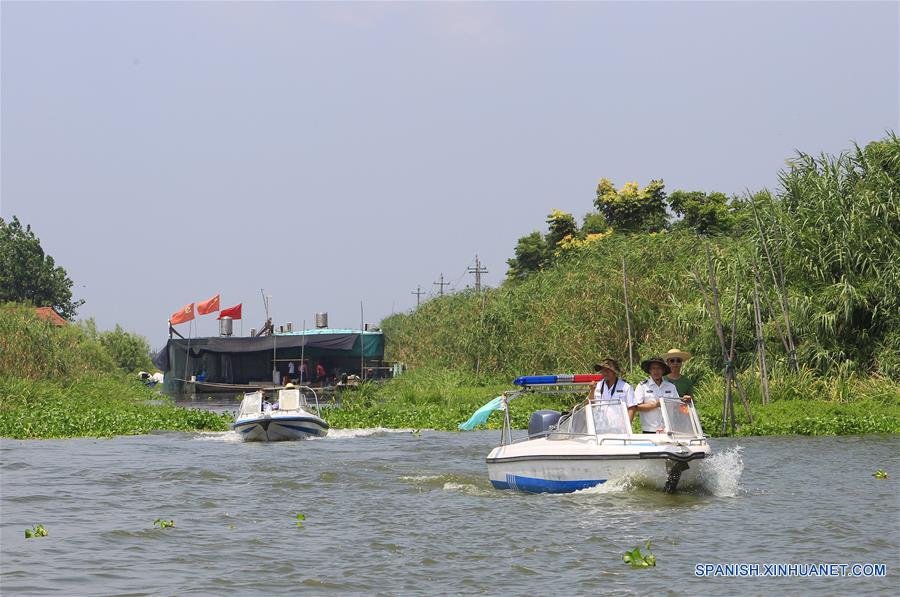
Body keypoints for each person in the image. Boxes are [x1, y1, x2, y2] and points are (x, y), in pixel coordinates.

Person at [634, 357, 680, 433]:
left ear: (663, 370)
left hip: (668, 429)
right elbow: (636, 407)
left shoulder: (671, 386)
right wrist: (655, 404)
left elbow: (677, 406)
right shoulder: (642, 386)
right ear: (649, 370)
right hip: (649, 429)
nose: (656, 371)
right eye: (653, 368)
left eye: (659, 368)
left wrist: (685, 401)